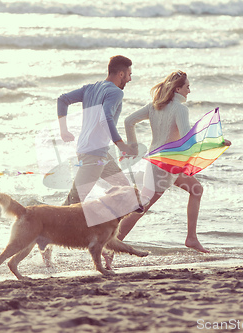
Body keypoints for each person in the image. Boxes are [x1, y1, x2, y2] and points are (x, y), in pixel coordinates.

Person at [103, 70, 231, 269]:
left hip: (162, 162)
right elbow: (188, 139)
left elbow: (129, 121)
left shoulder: (155, 106)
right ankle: (109, 247)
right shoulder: (180, 109)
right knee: (140, 209)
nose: (190, 90)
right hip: (164, 165)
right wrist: (218, 142)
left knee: (196, 190)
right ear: (178, 88)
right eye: (187, 86)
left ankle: (191, 238)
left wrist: (133, 145)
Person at [38, 55, 137, 264]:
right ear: (120, 73)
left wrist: (64, 130)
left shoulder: (90, 88)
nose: (130, 78)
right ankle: (43, 239)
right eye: (129, 74)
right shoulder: (116, 92)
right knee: (72, 204)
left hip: (98, 153)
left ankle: (109, 247)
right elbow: (106, 118)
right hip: (93, 155)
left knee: (127, 196)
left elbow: (62, 99)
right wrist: (122, 145)